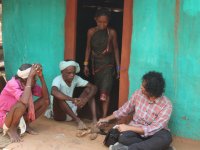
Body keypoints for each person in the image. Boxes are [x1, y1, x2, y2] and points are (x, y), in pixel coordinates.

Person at [98, 71, 173, 150]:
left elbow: (153, 128)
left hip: (156, 133)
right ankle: (156, 147)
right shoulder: (138, 94)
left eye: (143, 86)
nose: (141, 87)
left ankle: (128, 148)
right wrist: (107, 119)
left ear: (151, 91)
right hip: (136, 132)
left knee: (166, 138)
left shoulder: (166, 105)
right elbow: (124, 110)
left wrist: (128, 128)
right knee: (123, 137)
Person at [83, 8, 120, 118]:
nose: (102, 25)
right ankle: (100, 114)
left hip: (108, 64)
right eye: (100, 22)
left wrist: (118, 67)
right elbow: (88, 48)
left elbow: (116, 49)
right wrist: (86, 64)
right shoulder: (91, 32)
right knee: (98, 90)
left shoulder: (112, 32)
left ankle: (103, 117)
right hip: (96, 65)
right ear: (95, 20)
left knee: (105, 91)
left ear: (108, 21)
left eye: (105, 22)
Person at [0, 63, 50, 142]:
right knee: (22, 104)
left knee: (45, 101)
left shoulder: (29, 84)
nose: (35, 79)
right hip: (5, 118)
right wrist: (30, 78)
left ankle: (26, 125)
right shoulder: (12, 83)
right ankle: (11, 129)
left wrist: (41, 76)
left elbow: (46, 97)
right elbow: (24, 101)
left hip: (19, 114)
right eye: (34, 77)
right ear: (25, 79)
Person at [51, 60, 97, 130]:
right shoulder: (57, 80)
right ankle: (78, 120)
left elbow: (94, 87)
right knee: (58, 96)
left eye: (73, 73)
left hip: (73, 110)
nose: (72, 75)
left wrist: (86, 99)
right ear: (62, 72)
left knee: (89, 90)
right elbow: (53, 92)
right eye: (69, 73)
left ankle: (94, 120)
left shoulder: (75, 78)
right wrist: (72, 99)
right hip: (60, 115)